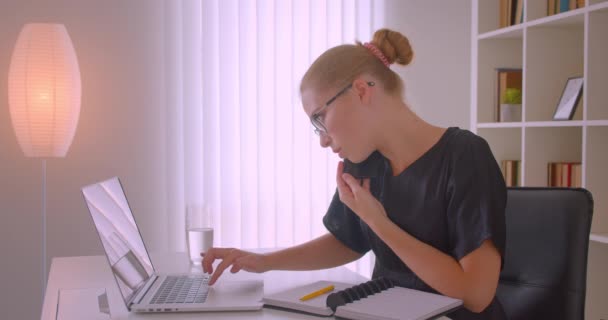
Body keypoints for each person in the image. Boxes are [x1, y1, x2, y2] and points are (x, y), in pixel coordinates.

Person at [201, 28, 507, 320]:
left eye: (319, 119)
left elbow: (476, 294)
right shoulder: (364, 163)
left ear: (361, 90)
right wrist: (264, 262)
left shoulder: (466, 156)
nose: (322, 139)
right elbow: (347, 240)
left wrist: (378, 221)